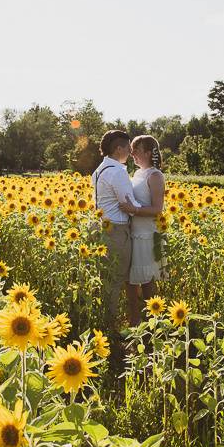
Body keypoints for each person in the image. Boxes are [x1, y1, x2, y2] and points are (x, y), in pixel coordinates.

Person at [91, 130, 140, 367]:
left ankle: (105, 325)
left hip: (103, 228)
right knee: (117, 279)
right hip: (118, 230)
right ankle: (109, 330)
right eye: (129, 149)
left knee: (107, 279)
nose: (131, 154)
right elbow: (129, 205)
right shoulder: (118, 172)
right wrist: (150, 207)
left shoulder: (99, 170)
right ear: (119, 149)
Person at [119, 135, 165, 326]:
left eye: (136, 150)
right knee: (130, 280)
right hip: (133, 233)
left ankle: (152, 323)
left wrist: (134, 210)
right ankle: (135, 321)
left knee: (146, 282)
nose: (132, 154)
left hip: (147, 235)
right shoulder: (137, 174)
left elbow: (157, 210)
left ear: (148, 152)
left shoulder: (155, 176)